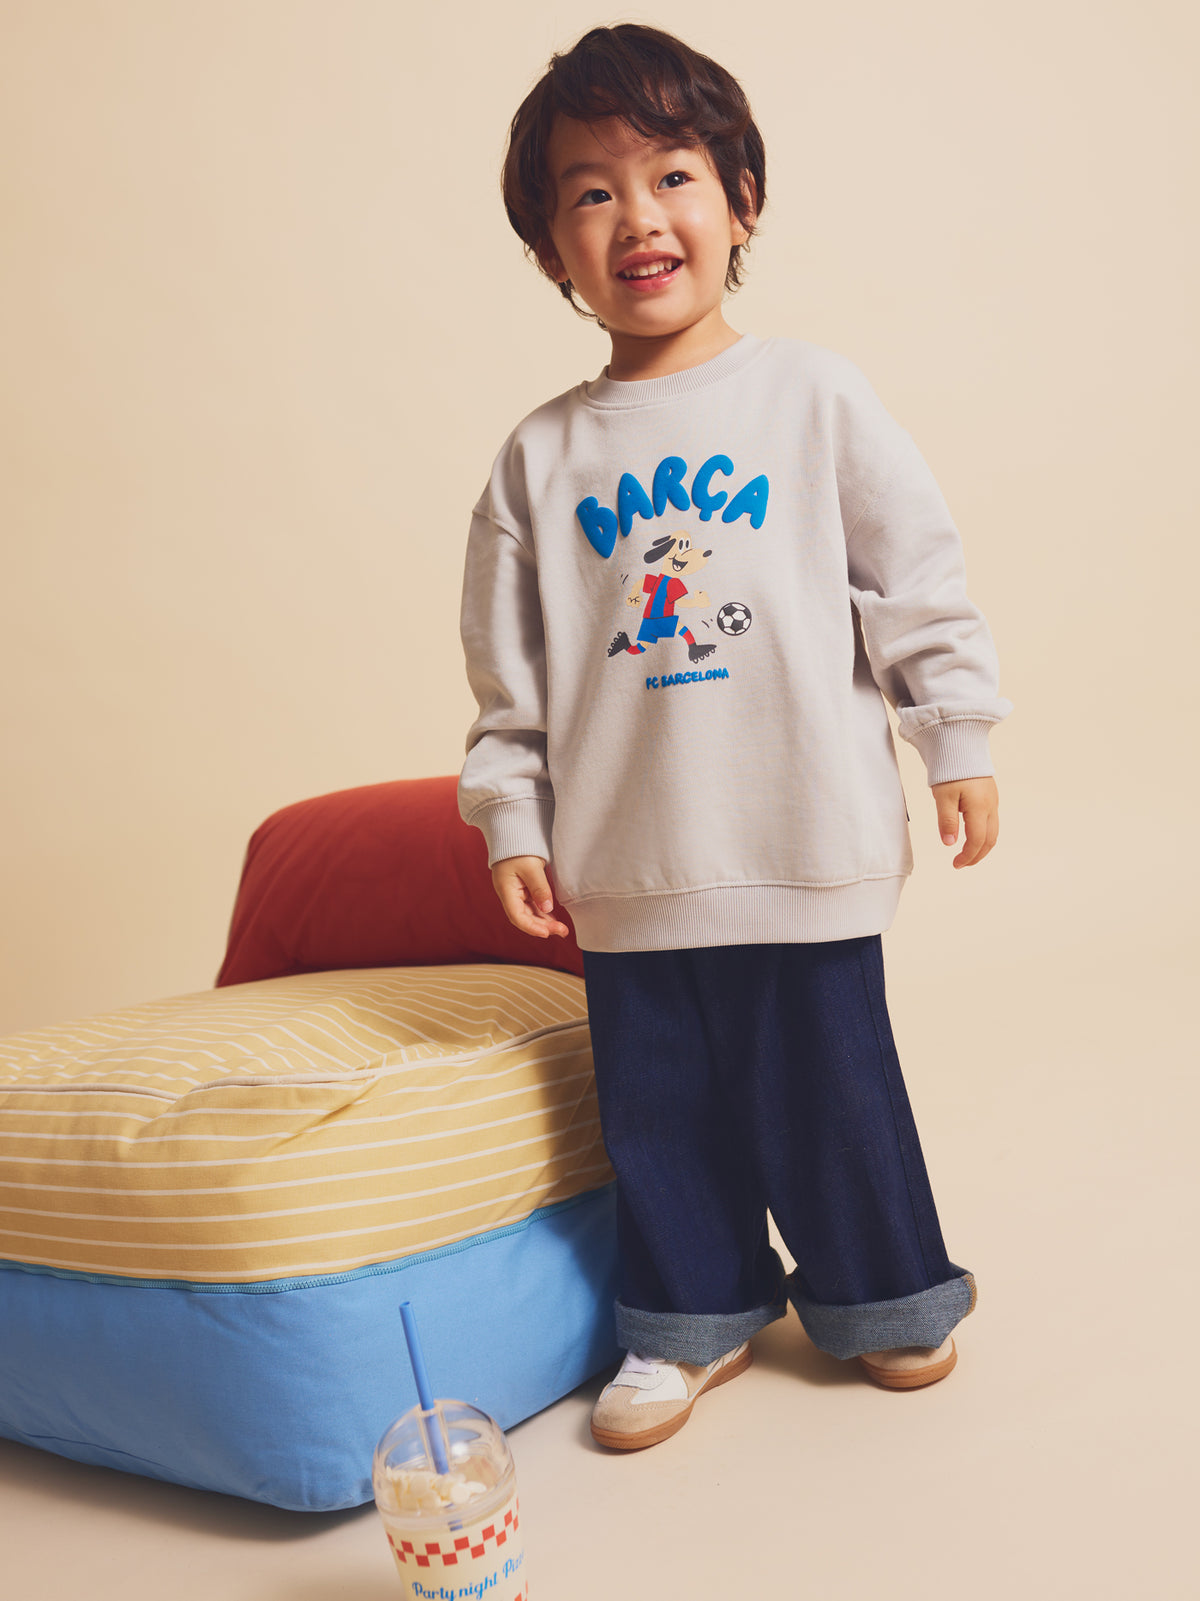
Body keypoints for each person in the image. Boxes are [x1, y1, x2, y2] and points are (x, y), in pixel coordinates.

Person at [456, 22, 1012, 1452]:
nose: (637, 217)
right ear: (550, 253)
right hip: (632, 864)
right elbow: (506, 678)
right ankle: (690, 1314)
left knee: (833, 1085)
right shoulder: (541, 458)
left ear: (741, 201)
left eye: (674, 174)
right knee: (661, 1113)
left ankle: (886, 1289)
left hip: (804, 828)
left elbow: (915, 578)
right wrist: (513, 817)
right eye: (590, 193)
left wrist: (957, 737)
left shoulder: (812, 396)